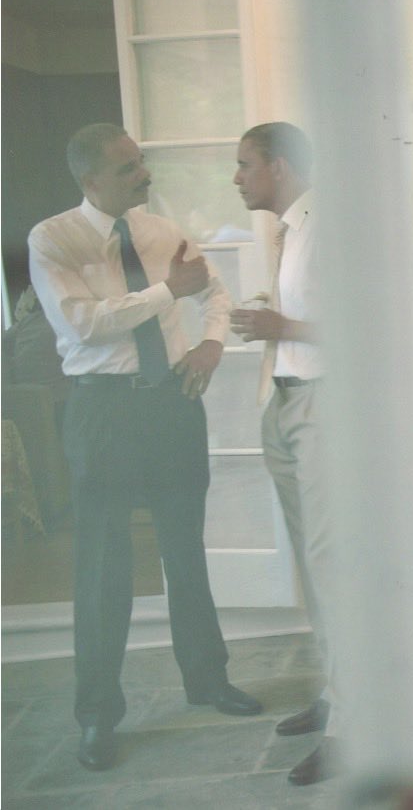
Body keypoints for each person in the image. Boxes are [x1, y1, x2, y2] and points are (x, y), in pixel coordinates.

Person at [28, 123, 262, 773]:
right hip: (102, 411)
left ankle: (208, 680)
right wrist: (167, 292)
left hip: (170, 404)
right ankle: (97, 714)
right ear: (90, 180)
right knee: (103, 567)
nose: (143, 175)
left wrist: (211, 342)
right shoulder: (53, 240)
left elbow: (215, 290)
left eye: (140, 162)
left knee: (185, 549)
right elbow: (83, 323)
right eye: (128, 168)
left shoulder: (162, 233)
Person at [229, 122, 334, 787]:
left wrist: (282, 325)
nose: (236, 178)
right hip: (286, 400)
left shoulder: (329, 227)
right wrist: (276, 318)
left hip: (324, 408)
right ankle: (335, 693)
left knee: (332, 563)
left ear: (280, 166)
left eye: (245, 164)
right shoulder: (289, 231)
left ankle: (355, 726)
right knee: (312, 567)